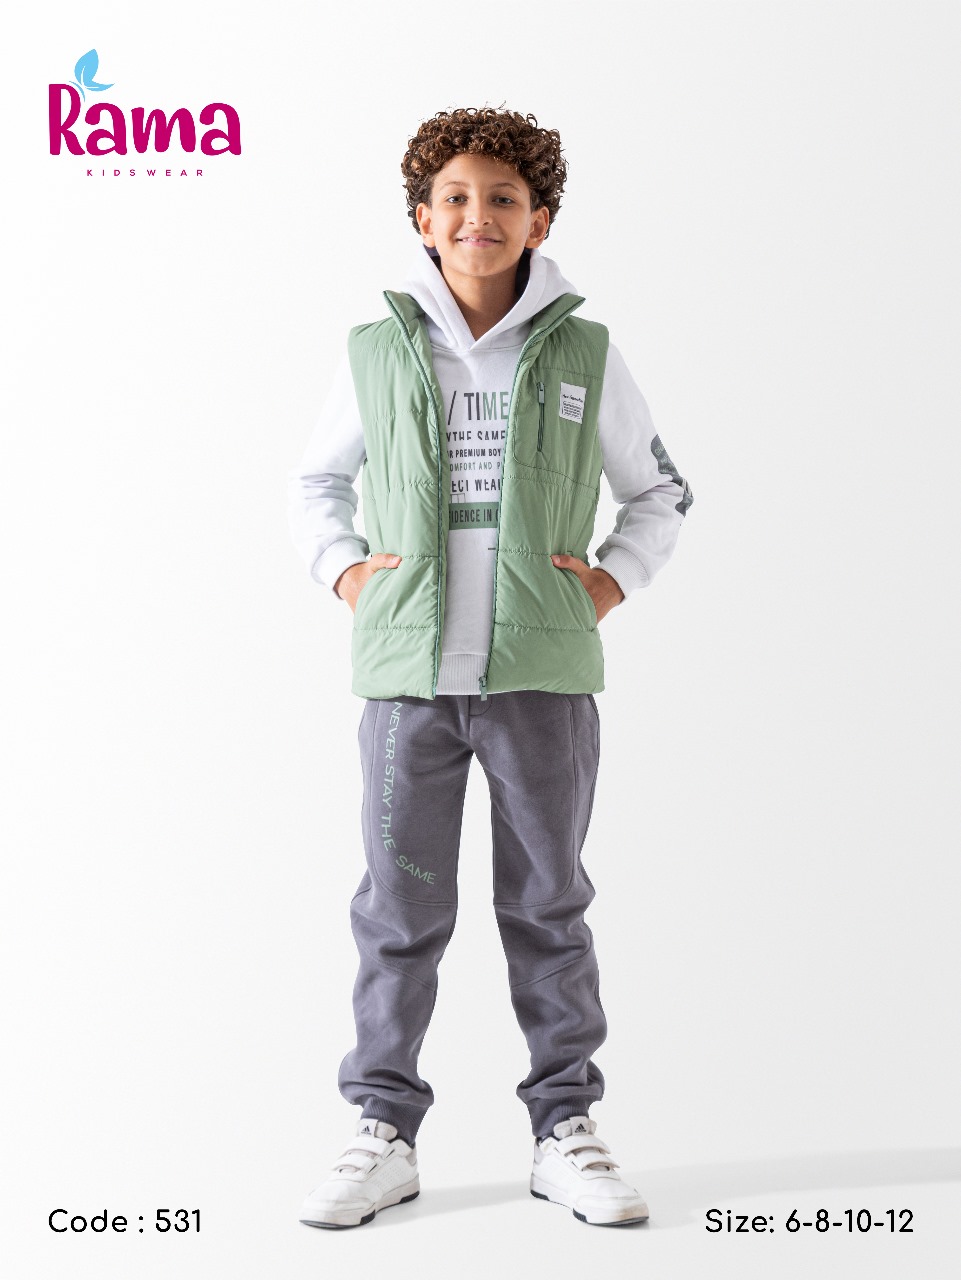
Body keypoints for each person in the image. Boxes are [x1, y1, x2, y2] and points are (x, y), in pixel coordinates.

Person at [287, 105, 693, 1230]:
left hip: (540, 682)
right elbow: (313, 483)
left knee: (548, 903)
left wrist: (608, 582)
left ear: (538, 220)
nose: (479, 216)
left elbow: (661, 490)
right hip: (406, 683)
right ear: (423, 220)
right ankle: (382, 1129)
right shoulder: (376, 351)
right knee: (397, 911)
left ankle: (564, 1127)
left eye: (503, 199)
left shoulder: (582, 352)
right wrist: (345, 573)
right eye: (455, 199)